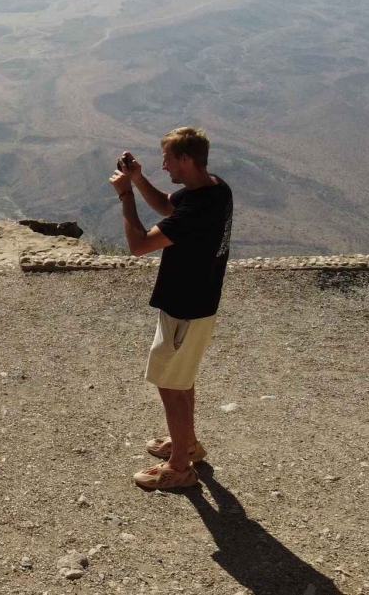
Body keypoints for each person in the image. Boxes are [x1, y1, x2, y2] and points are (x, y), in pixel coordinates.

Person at [110, 125, 234, 490]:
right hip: (195, 304)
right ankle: (187, 444)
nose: (163, 165)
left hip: (186, 308)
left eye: (166, 158)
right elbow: (168, 205)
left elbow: (138, 245)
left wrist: (126, 195)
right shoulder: (214, 187)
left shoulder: (198, 208)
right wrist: (139, 178)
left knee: (170, 384)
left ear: (185, 159)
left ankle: (180, 467)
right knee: (180, 379)